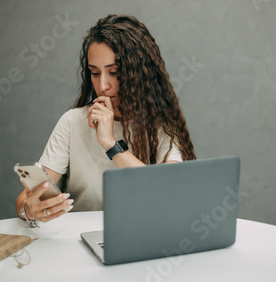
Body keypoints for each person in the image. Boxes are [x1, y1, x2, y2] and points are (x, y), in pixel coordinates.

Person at [15, 14, 196, 225]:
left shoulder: (162, 127)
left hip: (144, 234)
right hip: (79, 238)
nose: (102, 86)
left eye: (114, 72)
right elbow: (26, 198)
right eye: (94, 73)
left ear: (140, 73)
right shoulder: (73, 121)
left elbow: (165, 192)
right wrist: (28, 210)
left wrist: (110, 143)